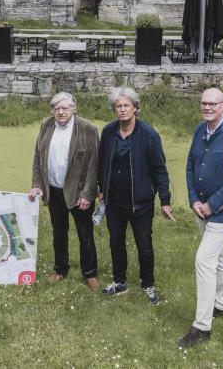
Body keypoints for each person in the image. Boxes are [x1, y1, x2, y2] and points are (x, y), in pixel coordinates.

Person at [178, 87, 223, 348]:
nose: (207, 107)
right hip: (201, 208)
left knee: (204, 259)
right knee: (218, 257)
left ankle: (202, 327)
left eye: (213, 104)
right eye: (203, 103)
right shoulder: (200, 130)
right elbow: (189, 166)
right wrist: (194, 200)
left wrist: (213, 205)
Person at [97, 87, 175, 305]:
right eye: (118, 106)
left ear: (134, 108)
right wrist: (101, 188)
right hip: (114, 201)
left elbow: (160, 169)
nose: (122, 110)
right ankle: (119, 282)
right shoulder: (109, 132)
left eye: (126, 106)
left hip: (140, 202)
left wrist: (165, 201)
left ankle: (148, 284)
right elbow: (102, 162)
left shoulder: (148, 134)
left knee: (144, 245)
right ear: (114, 110)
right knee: (116, 242)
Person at [28, 92, 100, 291]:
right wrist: (37, 183)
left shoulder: (88, 128)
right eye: (56, 108)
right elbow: (38, 157)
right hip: (54, 190)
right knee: (59, 233)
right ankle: (60, 269)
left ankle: (90, 274)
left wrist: (88, 194)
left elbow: (94, 165)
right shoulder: (46, 125)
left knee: (85, 234)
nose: (60, 112)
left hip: (79, 193)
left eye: (64, 108)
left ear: (74, 108)